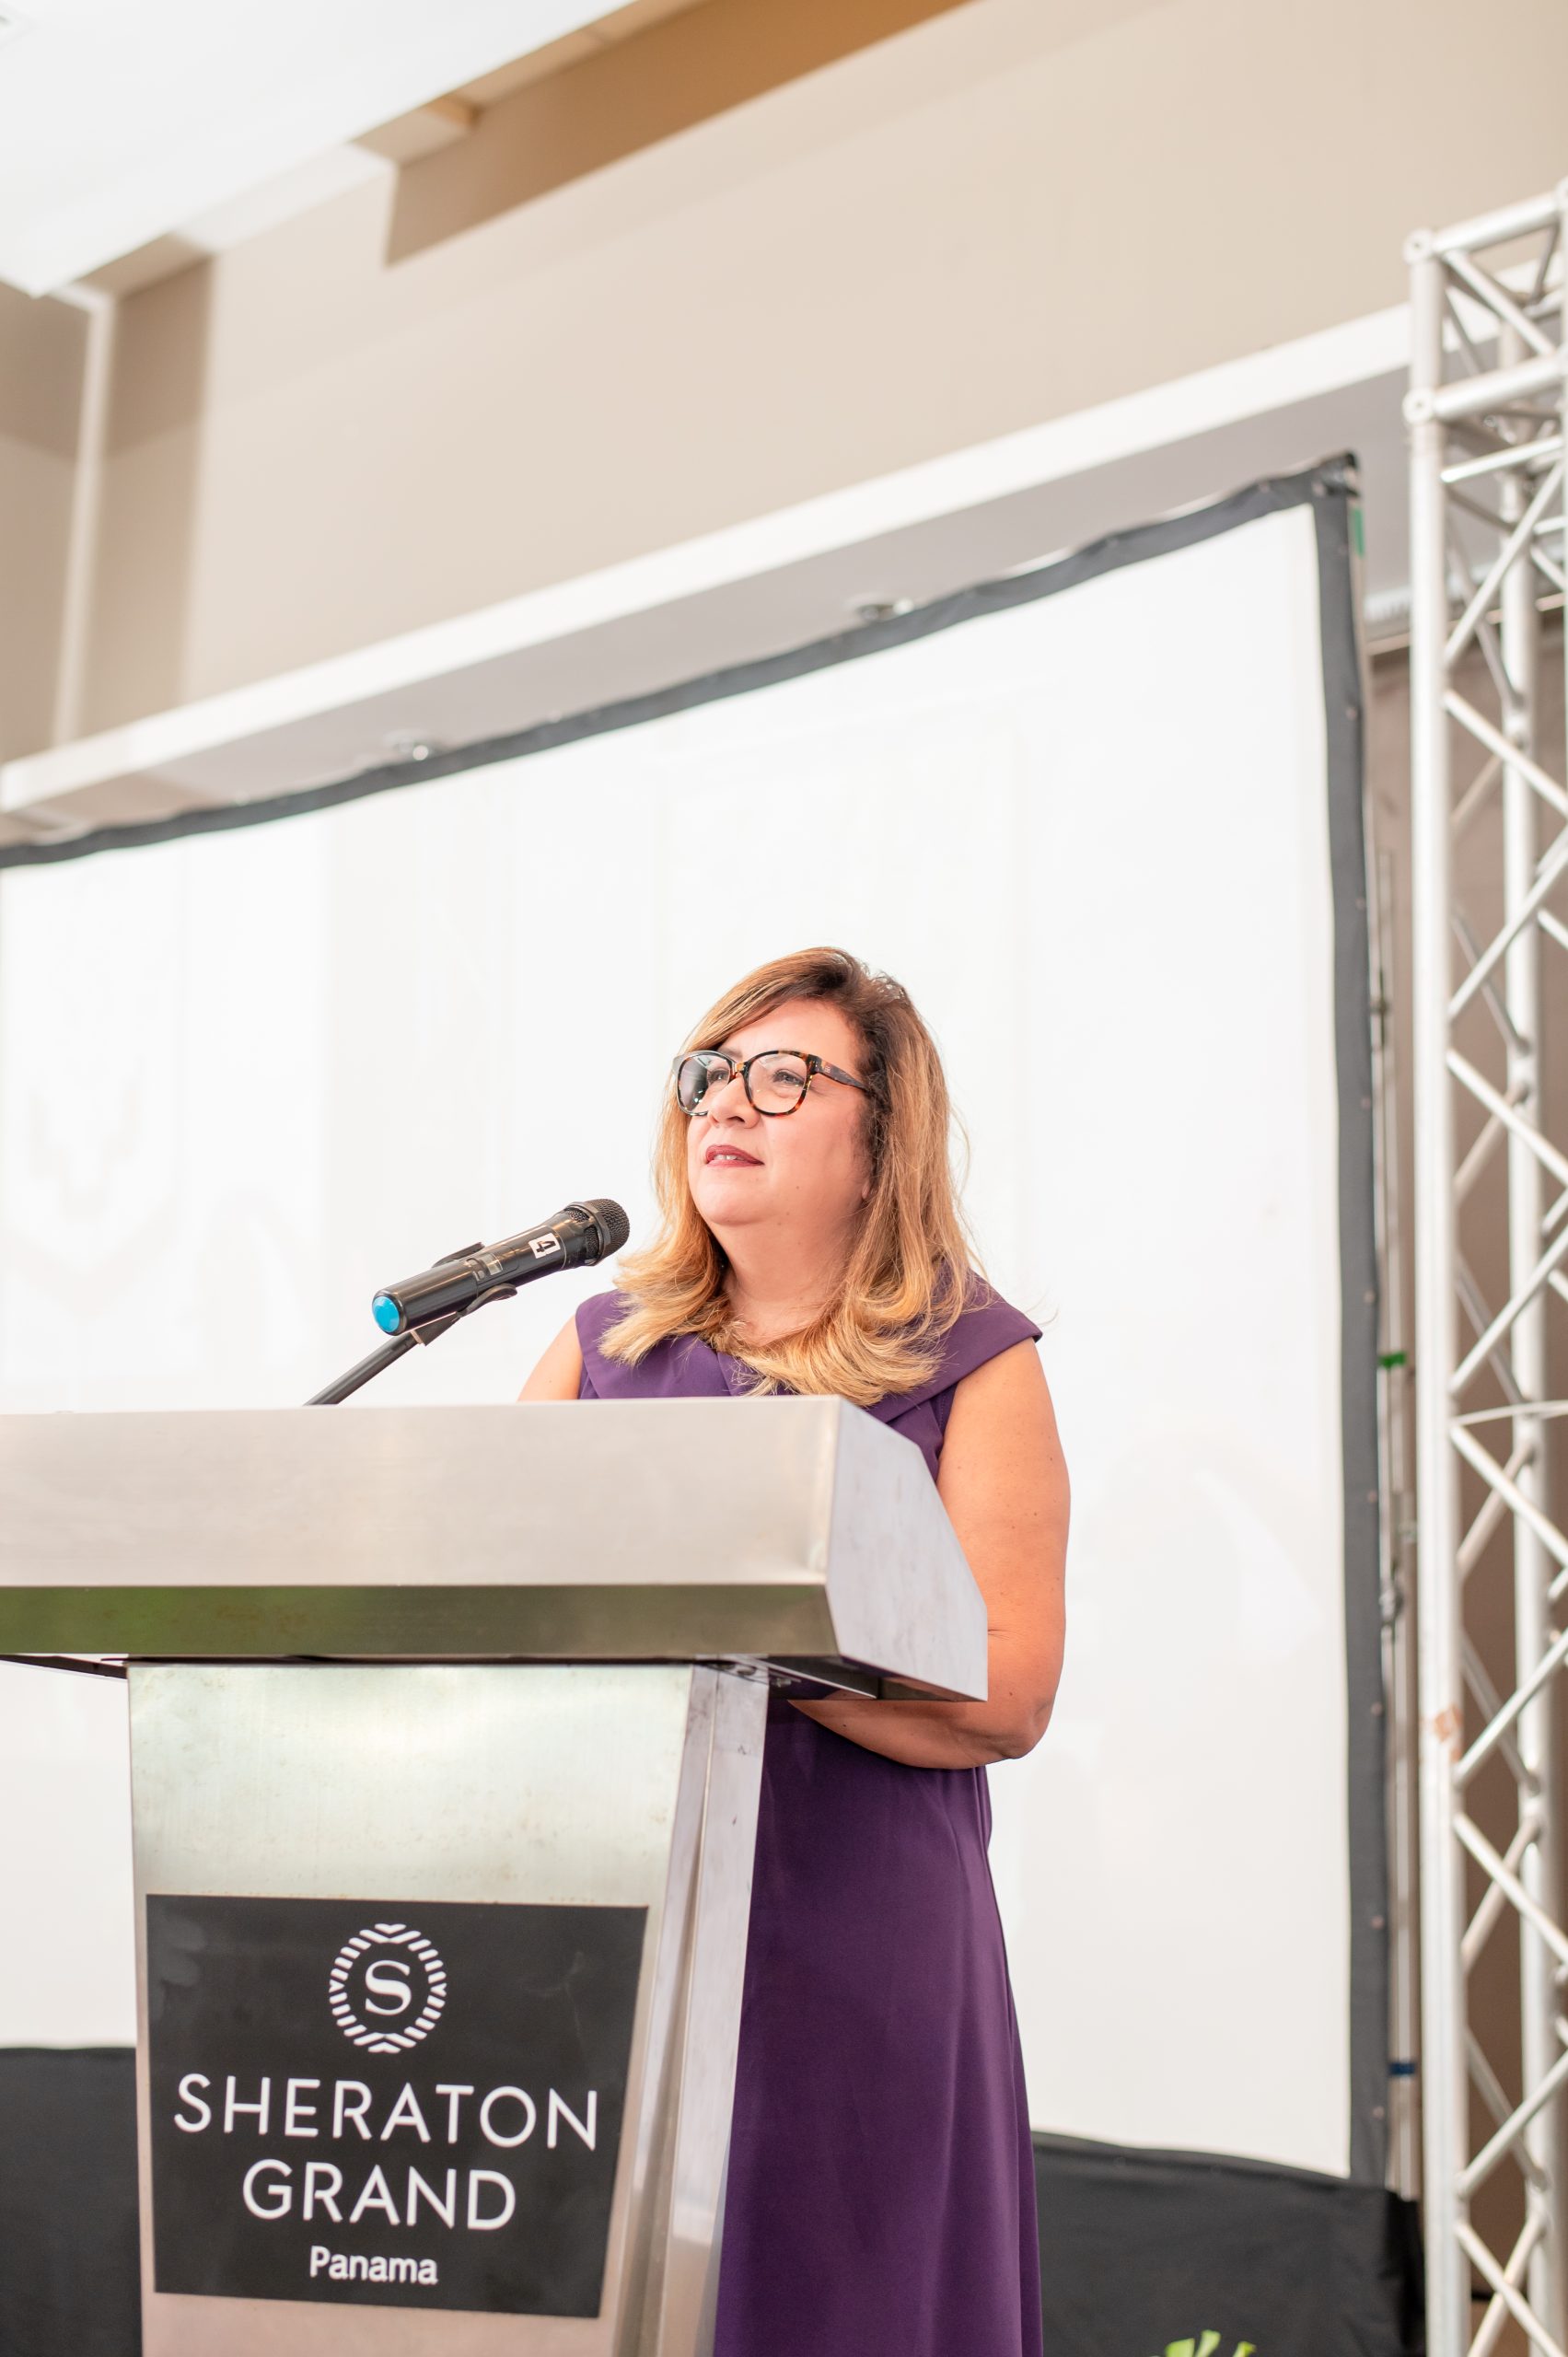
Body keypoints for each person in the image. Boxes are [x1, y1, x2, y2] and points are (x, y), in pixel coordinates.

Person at [520, 946, 1069, 2357]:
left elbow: (1008, 1693)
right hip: (613, 1928)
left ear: (883, 1140)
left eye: (782, 1077)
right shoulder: (599, 1349)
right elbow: (488, 1616)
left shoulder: (971, 1358)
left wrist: (744, 1641)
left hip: (860, 1940)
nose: (727, 1102)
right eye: (710, 1074)